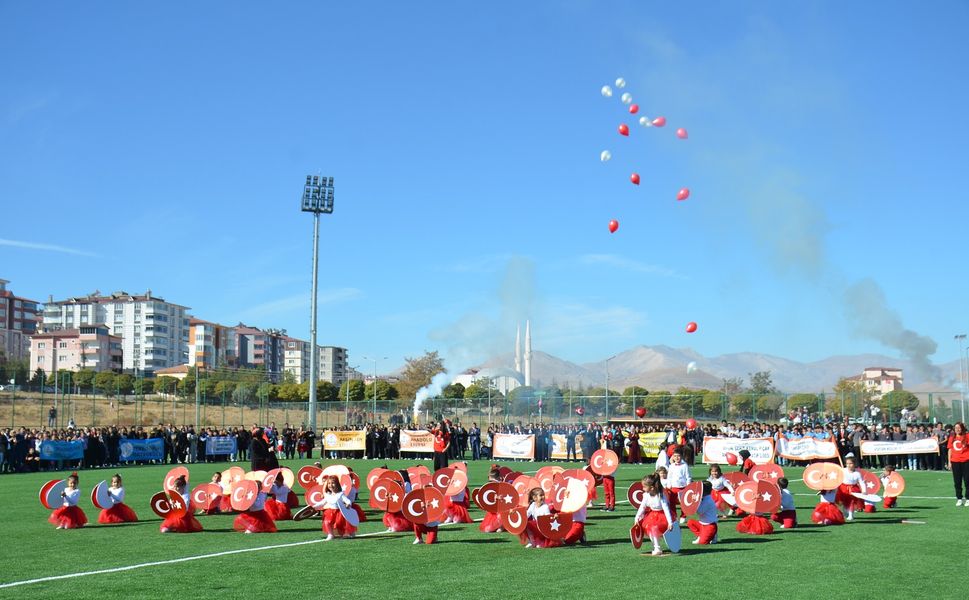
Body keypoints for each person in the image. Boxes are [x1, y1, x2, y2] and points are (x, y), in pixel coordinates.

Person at [633, 474, 673, 557]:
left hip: (662, 516)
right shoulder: (646, 496)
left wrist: (670, 522)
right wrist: (637, 517)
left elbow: (666, 509)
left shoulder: (661, 496)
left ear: (651, 488)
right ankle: (656, 546)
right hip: (652, 515)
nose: (643, 489)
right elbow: (642, 507)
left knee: (654, 528)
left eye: (644, 487)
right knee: (650, 528)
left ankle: (657, 546)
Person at [313, 476, 356, 541]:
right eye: (329, 483)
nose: (331, 485)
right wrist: (313, 507)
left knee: (342, 524)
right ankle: (330, 534)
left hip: (340, 512)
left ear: (337, 484)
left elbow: (347, 500)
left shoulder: (340, 494)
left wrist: (348, 504)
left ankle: (350, 532)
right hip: (330, 512)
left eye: (333, 483)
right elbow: (322, 503)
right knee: (327, 522)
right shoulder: (327, 495)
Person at [666, 450, 692, 524]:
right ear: (673, 457)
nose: (677, 458)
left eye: (678, 456)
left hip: (683, 487)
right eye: (675, 456)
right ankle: (674, 516)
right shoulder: (671, 466)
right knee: (671, 503)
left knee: (683, 503)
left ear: (681, 457)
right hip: (673, 488)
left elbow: (688, 477)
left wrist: (688, 485)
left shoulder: (685, 465)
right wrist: (669, 486)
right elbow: (669, 477)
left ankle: (683, 516)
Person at [948, 422, 969, 506]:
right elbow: (950, 450)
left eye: (959, 427)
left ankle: (968, 498)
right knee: (957, 481)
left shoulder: (967, 436)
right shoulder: (952, 437)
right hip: (955, 461)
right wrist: (949, 461)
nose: (957, 429)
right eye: (956, 428)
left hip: (966, 461)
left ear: (962, 428)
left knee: (967, 480)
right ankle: (959, 498)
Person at [479, 466, 505, 533]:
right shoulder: (490, 485)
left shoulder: (502, 485)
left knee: (500, 519)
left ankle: (502, 526)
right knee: (488, 530)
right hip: (493, 510)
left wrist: (498, 497)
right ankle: (499, 526)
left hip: (500, 509)